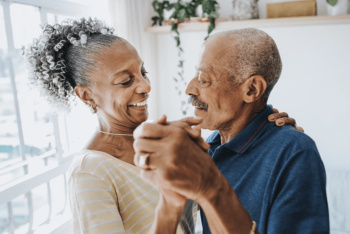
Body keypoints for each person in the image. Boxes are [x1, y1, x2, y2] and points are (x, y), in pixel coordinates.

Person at [23, 19, 301, 234]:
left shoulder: (168, 140)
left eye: (142, 72)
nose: (145, 86)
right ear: (87, 95)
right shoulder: (90, 172)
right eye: (125, 81)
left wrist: (272, 137)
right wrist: (169, 208)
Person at [133, 29, 329, 234]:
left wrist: (213, 187)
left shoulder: (295, 152)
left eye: (203, 78)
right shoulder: (212, 145)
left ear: (252, 89)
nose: (189, 89)